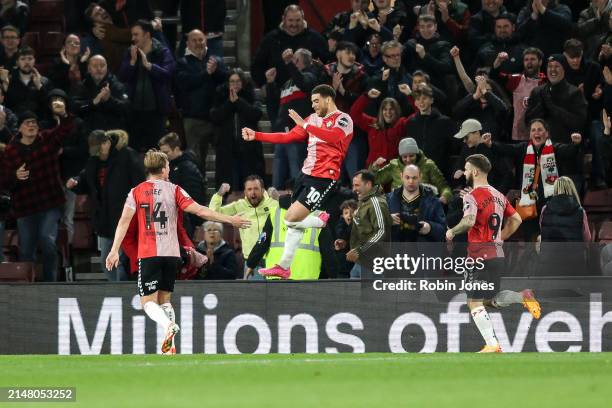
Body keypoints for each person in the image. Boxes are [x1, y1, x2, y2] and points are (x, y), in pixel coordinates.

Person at [105, 150, 249, 354]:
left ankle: (168, 327)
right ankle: (169, 345)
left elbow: (123, 222)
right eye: (168, 167)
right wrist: (230, 220)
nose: (169, 170)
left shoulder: (136, 192)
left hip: (149, 255)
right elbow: (200, 210)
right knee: (165, 299)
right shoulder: (174, 190)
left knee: (147, 302)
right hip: (172, 254)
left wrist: (113, 250)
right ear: (163, 168)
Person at [242, 84, 354, 279]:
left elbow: (334, 138)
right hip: (304, 176)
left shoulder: (344, 119)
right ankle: (284, 266)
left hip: (323, 178)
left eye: (316, 101)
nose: (313, 106)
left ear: (328, 99)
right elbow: (287, 137)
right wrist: (257, 135)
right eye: (311, 102)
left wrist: (306, 125)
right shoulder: (311, 120)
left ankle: (318, 221)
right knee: (292, 220)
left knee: (291, 218)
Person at [445, 154, 540, 353]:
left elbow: (469, 221)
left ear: (475, 171)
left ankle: (492, 344)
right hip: (497, 255)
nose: (465, 172)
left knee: (473, 301)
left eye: (467, 168)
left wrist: (452, 231)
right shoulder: (498, 195)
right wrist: (501, 237)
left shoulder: (472, 195)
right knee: (490, 299)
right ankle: (521, 296)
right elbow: (516, 220)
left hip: (479, 255)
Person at [1, 104, 74, 282]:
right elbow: (4, 181)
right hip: (25, 208)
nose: (32, 126)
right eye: (27, 123)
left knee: (47, 241)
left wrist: (63, 114)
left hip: (50, 203)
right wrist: (15, 176)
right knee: (26, 250)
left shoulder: (47, 139)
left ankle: (50, 284)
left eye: (34, 122)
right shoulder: (11, 151)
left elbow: (66, 129)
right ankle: (29, 287)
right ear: (19, 128)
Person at [68, 129, 145, 281]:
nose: (99, 153)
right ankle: (116, 291)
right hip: (104, 221)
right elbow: (85, 181)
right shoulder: (93, 162)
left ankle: (122, 294)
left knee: (122, 262)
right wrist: (76, 182)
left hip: (125, 218)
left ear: (107, 142)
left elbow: (140, 182)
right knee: (106, 262)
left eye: (101, 147)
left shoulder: (127, 155)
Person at [264, 48, 318, 189]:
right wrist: (270, 84)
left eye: (295, 59)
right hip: (282, 134)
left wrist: (289, 64)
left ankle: (300, 205)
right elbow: (274, 106)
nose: (292, 62)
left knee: (297, 173)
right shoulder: (287, 83)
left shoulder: (310, 76)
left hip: (296, 134)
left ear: (299, 61)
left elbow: (303, 83)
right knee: (277, 177)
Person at [118, 19, 175, 152]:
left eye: (136, 35)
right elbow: (122, 77)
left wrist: (150, 66)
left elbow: (168, 74)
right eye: (132, 35)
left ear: (147, 35)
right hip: (134, 112)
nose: (133, 38)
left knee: (156, 152)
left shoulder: (162, 52)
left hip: (156, 112)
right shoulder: (130, 52)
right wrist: (132, 62)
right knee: (133, 151)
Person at [176, 29, 227, 172]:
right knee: (196, 163)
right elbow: (186, 83)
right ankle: (198, 192)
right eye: (194, 40)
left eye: (201, 40)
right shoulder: (182, 62)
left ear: (206, 41)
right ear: (187, 43)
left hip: (217, 118)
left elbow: (227, 79)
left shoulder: (216, 60)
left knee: (224, 158)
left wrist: (216, 71)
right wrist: (206, 73)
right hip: (194, 119)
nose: (198, 43)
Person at [209, 175, 279, 279]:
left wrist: (278, 197)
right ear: (245, 192)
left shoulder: (272, 203)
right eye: (249, 189)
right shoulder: (239, 206)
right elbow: (213, 214)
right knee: (253, 295)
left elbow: (291, 214)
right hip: (252, 262)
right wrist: (219, 194)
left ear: (262, 190)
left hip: (273, 260)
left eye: (256, 189)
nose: (253, 193)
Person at [246, 192, 323, 280]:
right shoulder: (319, 215)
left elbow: (263, 242)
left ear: (290, 193)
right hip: (307, 278)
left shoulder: (275, 213)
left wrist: (251, 264)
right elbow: (327, 250)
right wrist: (333, 276)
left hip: (276, 278)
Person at [209, 68, 264, 188]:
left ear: (243, 82)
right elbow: (215, 116)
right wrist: (229, 103)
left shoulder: (251, 95)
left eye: (238, 81)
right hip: (227, 151)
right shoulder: (221, 97)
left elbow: (256, 113)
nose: (235, 84)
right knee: (229, 186)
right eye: (232, 81)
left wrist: (238, 102)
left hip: (248, 150)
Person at [250, 4, 327, 88]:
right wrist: (264, 85)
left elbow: (326, 64)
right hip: (276, 94)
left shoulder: (315, 38)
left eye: (298, 20)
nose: (294, 24)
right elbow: (257, 66)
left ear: (303, 19)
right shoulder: (270, 39)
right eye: (291, 20)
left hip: (306, 95)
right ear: (283, 19)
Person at [525, 54, 588, 144]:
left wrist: (552, 107)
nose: (553, 70)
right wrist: (540, 106)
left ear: (564, 69)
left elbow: (579, 123)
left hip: (565, 148)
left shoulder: (574, 93)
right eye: (550, 66)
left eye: (557, 66)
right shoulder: (537, 91)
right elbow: (528, 121)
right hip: (540, 147)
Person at [537, 176, 592, 275]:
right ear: (572, 189)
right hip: (575, 263)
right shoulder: (580, 210)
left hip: (550, 263)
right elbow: (587, 238)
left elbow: (543, 232)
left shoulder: (545, 209)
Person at [370, 137, 452, 203]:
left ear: (416, 154)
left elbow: (444, 186)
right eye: (405, 157)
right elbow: (374, 180)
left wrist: (445, 196)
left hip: (423, 206)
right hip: (397, 205)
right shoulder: (394, 165)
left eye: (411, 156)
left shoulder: (428, 165)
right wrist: (374, 166)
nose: (408, 160)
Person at [491, 47, 546, 141]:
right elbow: (495, 76)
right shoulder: (517, 80)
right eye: (526, 59)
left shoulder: (547, 82)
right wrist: (498, 61)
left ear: (540, 62)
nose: (529, 62)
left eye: (532, 59)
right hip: (518, 136)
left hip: (541, 134)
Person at [158, 132, 206, 239]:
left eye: (166, 152)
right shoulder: (172, 166)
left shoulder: (187, 168)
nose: (163, 155)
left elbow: (194, 196)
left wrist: (196, 223)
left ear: (176, 149)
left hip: (187, 223)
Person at [351, 87, 412, 168]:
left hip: (393, 171)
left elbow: (419, 115)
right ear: (381, 111)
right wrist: (366, 96)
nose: (388, 112)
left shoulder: (402, 123)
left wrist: (410, 95)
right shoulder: (373, 124)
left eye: (391, 109)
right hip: (373, 170)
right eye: (385, 109)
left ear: (397, 111)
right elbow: (354, 113)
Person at [347, 170, 392, 278]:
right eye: (353, 186)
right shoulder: (364, 201)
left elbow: (381, 231)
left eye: (357, 185)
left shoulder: (376, 202)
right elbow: (363, 230)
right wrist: (345, 242)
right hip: (362, 262)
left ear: (368, 184)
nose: (354, 189)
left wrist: (359, 250)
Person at [386, 164, 446, 243]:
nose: (411, 181)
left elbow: (443, 230)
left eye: (414, 178)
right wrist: (386, 220)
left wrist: (430, 228)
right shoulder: (388, 199)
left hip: (421, 252)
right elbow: (373, 226)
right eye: (407, 177)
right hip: (394, 250)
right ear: (401, 176)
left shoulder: (433, 201)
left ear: (420, 177)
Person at [71, 54, 130, 133]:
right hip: (88, 133)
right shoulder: (81, 86)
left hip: (112, 132)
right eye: (95, 66)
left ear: (106, 67)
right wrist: (93, 102)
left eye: (102, 65)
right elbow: (74, 108)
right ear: (89, 69)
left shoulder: (117, 85)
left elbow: (126, 110)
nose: (99, 69)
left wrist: (109, 100)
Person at [4, 47, 51, 117]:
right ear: (17, 62)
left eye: (30, 59)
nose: (27, 62)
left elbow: (48, 105)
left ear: (34, 61)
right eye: (23, 59)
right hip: (14, 121)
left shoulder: (44, 81)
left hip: (37, 121)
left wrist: (39, 86)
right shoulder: (8, 81)